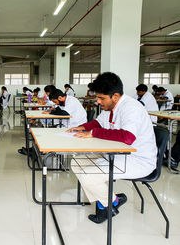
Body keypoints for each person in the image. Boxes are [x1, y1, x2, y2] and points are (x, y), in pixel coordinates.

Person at [67, 72, 157, 224]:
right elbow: (98, 123)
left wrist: (93, 133)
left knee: (89, 175)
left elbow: (128, 137)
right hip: (117, 154)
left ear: (115, 96)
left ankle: (108, 205)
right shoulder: (111, 107)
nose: (98, 101)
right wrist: (82, 127)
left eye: (101, 98)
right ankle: (110, 202)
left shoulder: (131, 108)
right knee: (77, 163)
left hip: (138, 159)